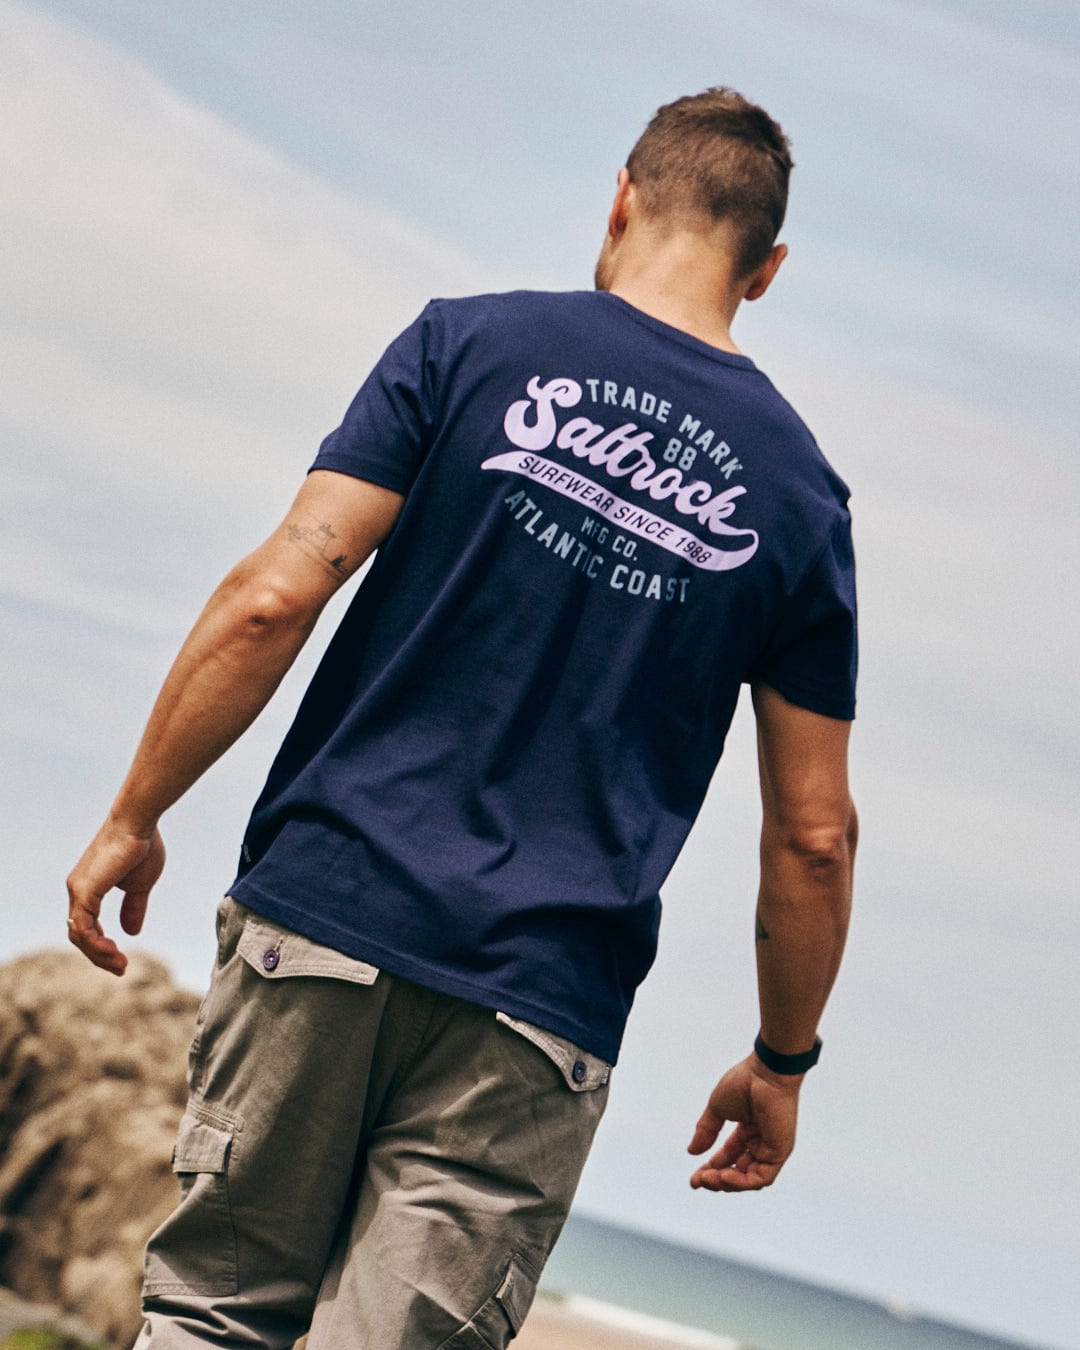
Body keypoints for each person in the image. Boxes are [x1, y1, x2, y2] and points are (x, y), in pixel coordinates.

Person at [66, 87, 858, 1348]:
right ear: (765, 271)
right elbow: (813, 834)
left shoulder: (467, 346)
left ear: (621, 197)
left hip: (321, 919)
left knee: (211, 1320)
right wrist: (783, 1059)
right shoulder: (803, 501)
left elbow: (277, 595)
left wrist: (135, 812)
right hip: (535, 1009)